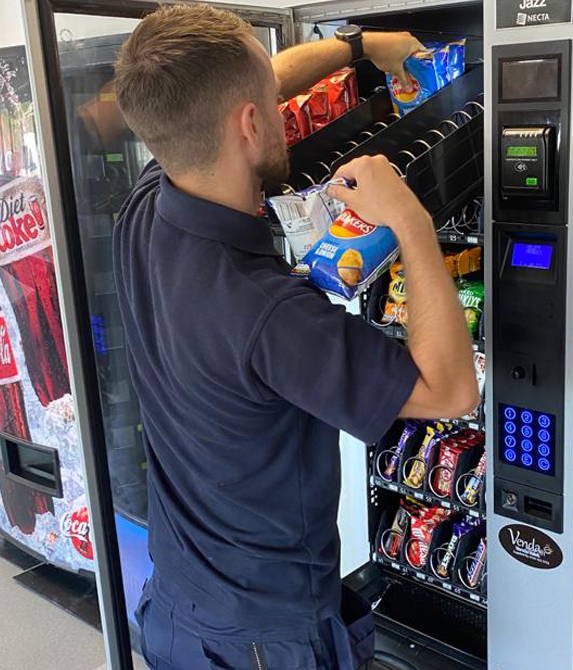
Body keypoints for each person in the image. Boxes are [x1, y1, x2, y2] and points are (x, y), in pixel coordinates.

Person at [112, 4, 479, 670]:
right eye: (268, 103)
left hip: (174, 608)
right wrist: (410, 221)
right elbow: (450, 390)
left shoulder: (144, 208)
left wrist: (363, 44)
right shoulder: (267, 312)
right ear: (251, 123)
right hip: (264, 642)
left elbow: (237, 91)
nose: (281, 103)